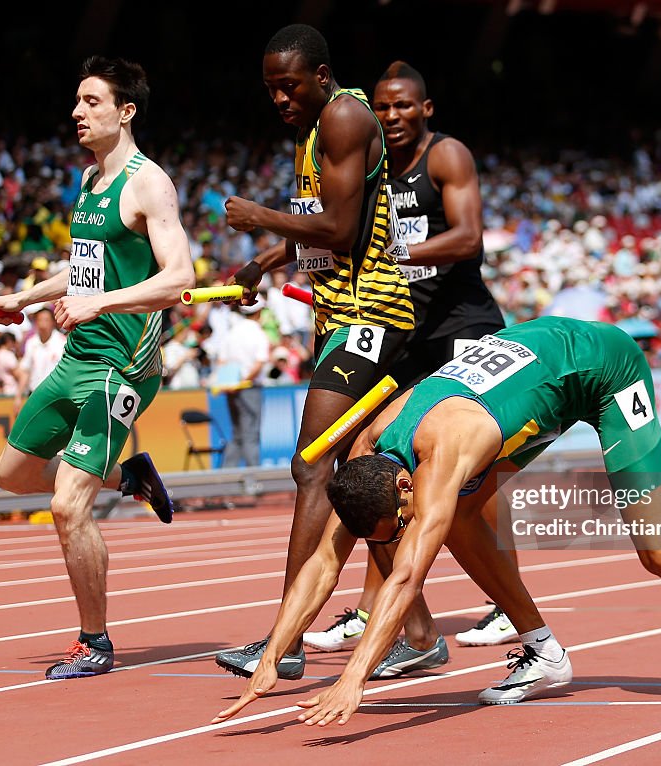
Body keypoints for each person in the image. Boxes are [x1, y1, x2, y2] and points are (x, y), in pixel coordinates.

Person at [212, 315, 661, 725]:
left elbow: (409, 572)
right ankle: (545, 652)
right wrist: (274, 654)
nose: (406, 530)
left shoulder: (443, 453)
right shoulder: (366, 460)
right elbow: (326, 561)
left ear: (409, 483)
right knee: (466, 516)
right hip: (533, 372)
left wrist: (354, 679)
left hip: (601, 368)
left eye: (406, 514)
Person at [0, 55, 195, 680]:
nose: (77, 112)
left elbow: (180, 278)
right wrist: (23, 298)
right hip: (78, 357)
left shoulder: (147, 182)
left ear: (125, 111)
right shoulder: (88, 182)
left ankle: (95, 642)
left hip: (123, 366)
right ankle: (130, 477)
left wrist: (100, 301)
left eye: (92, 102)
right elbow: (85, 271)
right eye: (77, 101)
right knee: (11, 476)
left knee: (67, 505)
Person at [214, 23, 416, 679]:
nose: (278, 97)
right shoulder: (316, 131)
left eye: (288, 85)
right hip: (342, 318)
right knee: (357, 479)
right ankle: (418, 630)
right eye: (270, 88)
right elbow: (324, 240)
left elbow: (339, 226)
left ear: (321, 77)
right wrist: (263, 264)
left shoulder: (346, 116)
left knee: (312, 466)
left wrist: (261, 219)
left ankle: (287, 639)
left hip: (373, 315)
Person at [303, 61, 514, 664]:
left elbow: (470, 237)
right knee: (375, 458)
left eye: (402, 107)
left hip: (464, 330)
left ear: (426, 109)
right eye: (382, 107)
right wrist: (268, 261)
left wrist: (405, 252)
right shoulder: (370, 166)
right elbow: (335, 230)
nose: (391, 117)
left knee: (476, 475)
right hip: (407, 336)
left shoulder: (445, 157)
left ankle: (503, 606)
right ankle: (385, 614)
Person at [213, 295, 271, 468]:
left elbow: (222, 361)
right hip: (249, 387)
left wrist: (231, 383)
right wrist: (242, 381)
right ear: (259, 312)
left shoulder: (232, 332)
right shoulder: (258, 333)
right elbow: (259, 363)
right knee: (250, 433)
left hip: (232, 388)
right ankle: (253, 480)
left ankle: (226, 479)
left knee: (237, 433)